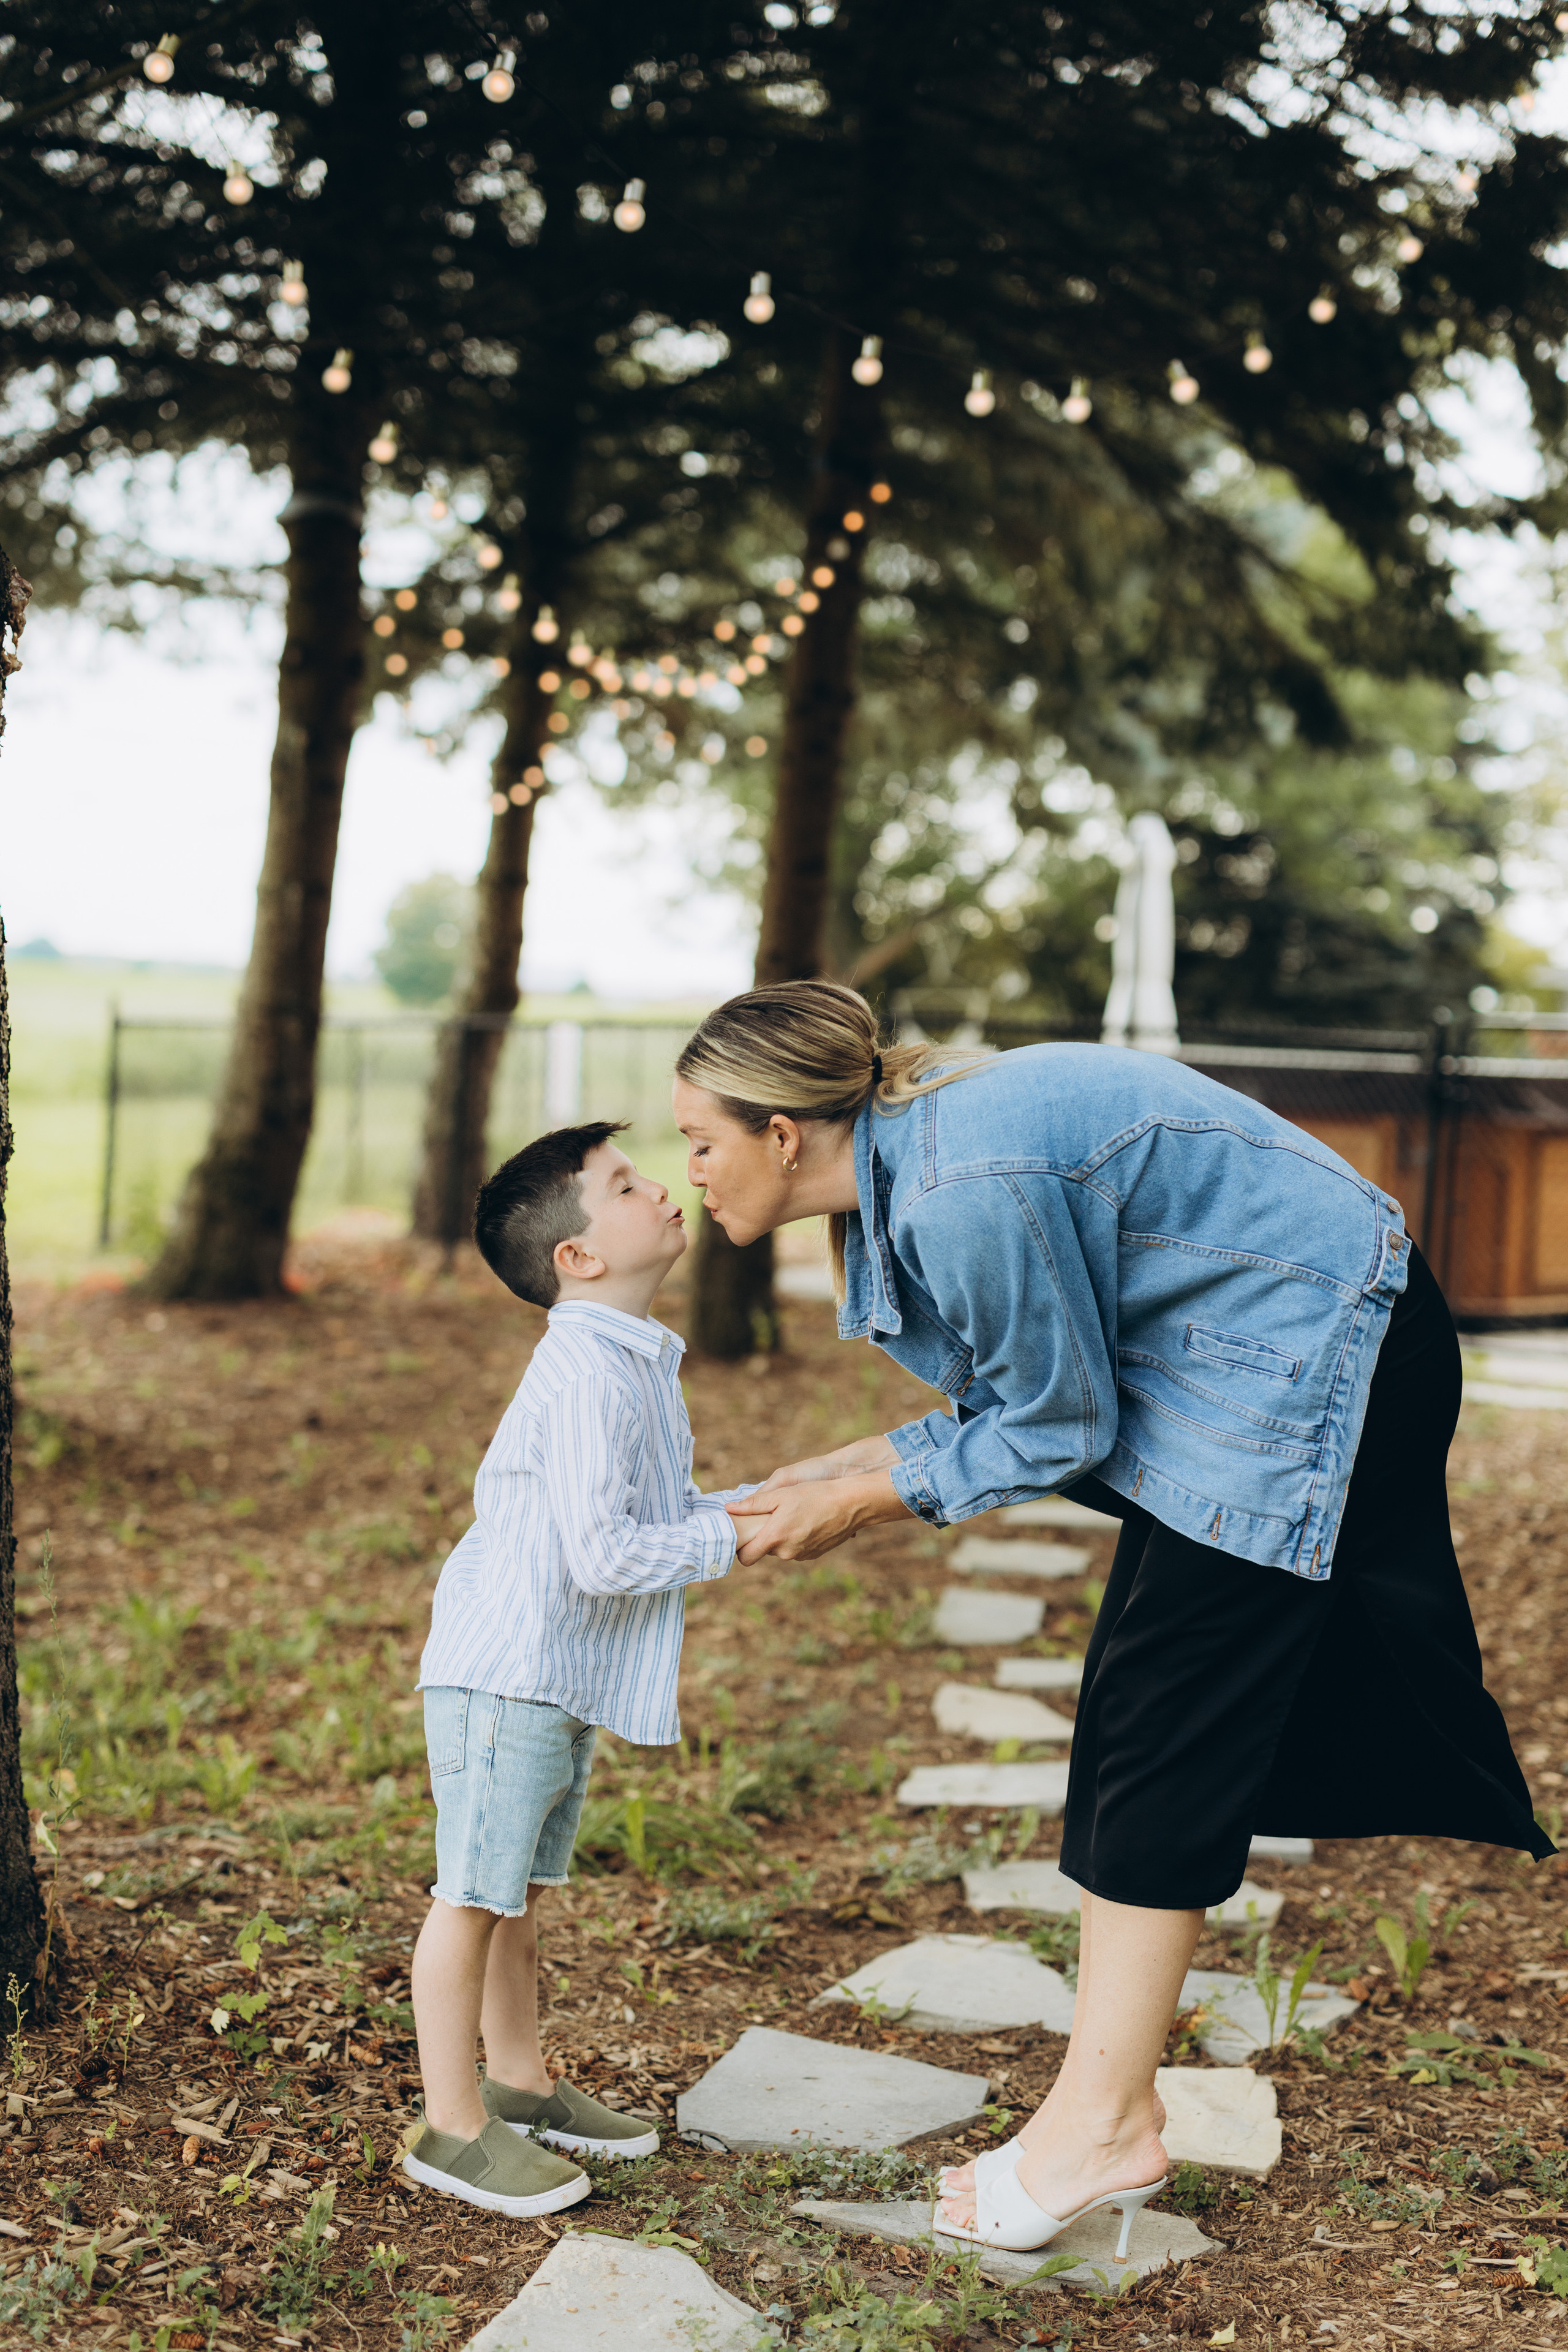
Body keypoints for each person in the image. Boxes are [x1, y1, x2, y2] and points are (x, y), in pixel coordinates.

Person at [673, 981, 1553, 2256]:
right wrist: (832, 1471)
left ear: (782, 1134)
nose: (689, 1169)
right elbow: (1029, 1388)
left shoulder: (953, 1186)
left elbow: (1057, 1425)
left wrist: (867, 1497)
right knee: (1139, 1720)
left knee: (1159, 1726)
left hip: (1319, 1348)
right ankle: (1115, 2104)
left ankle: (1097, 2132)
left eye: (700, 1140)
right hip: (1242, 1352)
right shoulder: (916, 1162)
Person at [404, 1120, 764, 2217]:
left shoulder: (626, 1356)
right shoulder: (588, 1375)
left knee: (516, 1894)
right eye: (624, 1185)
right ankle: (452, 2129)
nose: (663, 1189)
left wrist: (754, 1506)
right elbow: (605, 1555)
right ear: (578, 1257)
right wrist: (735, 1539)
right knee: (471, 1897)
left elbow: (632, 1519)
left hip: (549, 1675)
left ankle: (518, 2085)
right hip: (508, 1674)